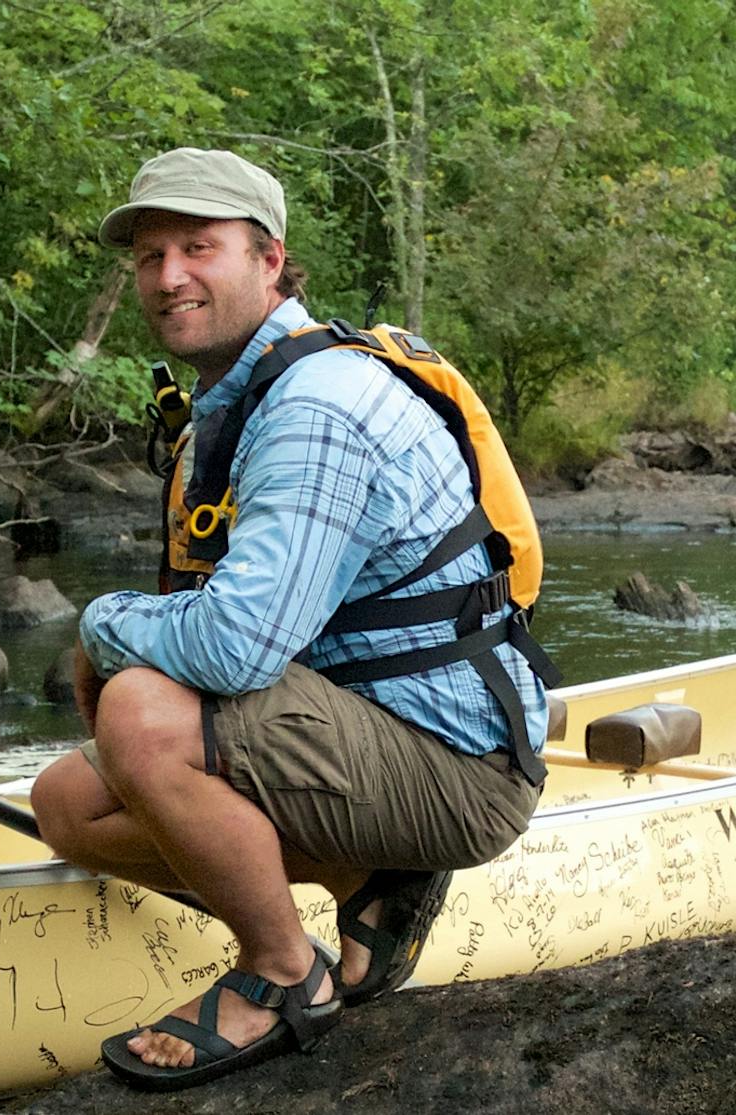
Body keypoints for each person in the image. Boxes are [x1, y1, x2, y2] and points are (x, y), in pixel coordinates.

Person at [29, 148, 549, 1091]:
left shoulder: (316, 406)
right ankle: (369, 887)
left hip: (458, 768)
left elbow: (238, 645)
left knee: (142, 709)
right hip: (367, 728)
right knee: (68, 805)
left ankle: (281, 970)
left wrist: (104, 625)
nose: (169, 275)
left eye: (199, 247)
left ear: (270, 260)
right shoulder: (248, 392)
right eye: (150, 256)